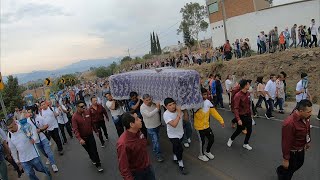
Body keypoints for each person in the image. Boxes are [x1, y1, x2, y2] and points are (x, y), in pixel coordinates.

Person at [276, 100, 312, 180]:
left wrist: (308, 141)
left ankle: (283, 172)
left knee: (299, 164)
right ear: (301, 111)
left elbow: (307, 129)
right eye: (308, 112)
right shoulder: (289, 123)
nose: (310, 113)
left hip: (301, 149)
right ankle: (282, 175)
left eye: (311, 111)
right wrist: (286, 159)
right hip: (293, 153)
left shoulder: (306, 117)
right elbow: (286, 142)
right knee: (289, 172)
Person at [117, 112, 156, 180]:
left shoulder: (139, 132)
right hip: (137, 174)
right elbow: (124, 167)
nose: (140, 120)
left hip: (147, 167)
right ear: (131, 124)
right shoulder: (123, 143)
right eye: (137, 119)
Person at [72, 100, 103, 172]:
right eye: (81, 106)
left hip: (90, 136)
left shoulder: (87, 112)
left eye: (84, 106)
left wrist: (96, 131)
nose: (83, 107)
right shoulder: (74, 117)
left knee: (94, 150)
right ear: (77, 107)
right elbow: (75, 130)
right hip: (83, 138)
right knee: (89, 151)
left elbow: (92, 122)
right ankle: (92, 158)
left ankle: (98, 164)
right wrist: (80, 139)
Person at [194, 88, 225, 162]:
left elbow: (214, 112)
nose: (203, 96)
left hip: (206, 126)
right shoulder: (195, 104)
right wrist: (200, 107)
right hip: (199, 127)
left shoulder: (208, 102)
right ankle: (201, 155)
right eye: (201, 95)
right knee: (202, 141)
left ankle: (207, 151)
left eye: (205, 94)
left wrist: (221, 120)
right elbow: (199, 116)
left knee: (211, 139)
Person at [26, 107, 59, 173]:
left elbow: (46, 125)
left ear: (34, 111)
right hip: (36, 141)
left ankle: (53, 165)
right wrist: (29, 134)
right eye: (28, 112)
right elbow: (28, 129)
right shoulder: (28, 120)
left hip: (43, 138)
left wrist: (40, 129)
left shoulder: (40, 118)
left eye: (30, 112)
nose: (29, 114)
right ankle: (49, 158)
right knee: (44, 153)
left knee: (48, 152)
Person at [163, 98, 188, 175]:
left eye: (173, 104)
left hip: (180, 133)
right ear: (166, 106)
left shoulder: (178, 111)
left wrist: (185, 111)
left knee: (175, 147)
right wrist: (179, 113)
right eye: (170, 105)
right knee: (179, 149)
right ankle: (181, 164)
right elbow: (174, 124)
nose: (173, 106)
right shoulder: (166, 114)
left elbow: (186, 120)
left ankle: (175, 157)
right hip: (172, 135)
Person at [227, 80, 253, 151]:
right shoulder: (238, 95)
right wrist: (238, 119)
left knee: (249, 130)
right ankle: (231, 139)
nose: (249, 85)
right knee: (238, 130)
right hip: (241, 116)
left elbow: (248, 105)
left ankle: (246, 144)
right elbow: (236, 108)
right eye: (248, 84)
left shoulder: (248, 94)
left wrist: (251, 115)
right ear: (244, 86)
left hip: (248, 115)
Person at [140, 94, 164, 162]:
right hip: (150, 127)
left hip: (157, 124)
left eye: (149, 99)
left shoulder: (153, 104)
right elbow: (149, 115)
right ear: (143, 100)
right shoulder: (142, 107)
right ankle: (158, 155)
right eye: (146, 100)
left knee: (156, 140)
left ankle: (155, 148)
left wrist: (157, 107)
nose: (148, 101)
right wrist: (157, 108)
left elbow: (158, 112)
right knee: (156, 141)